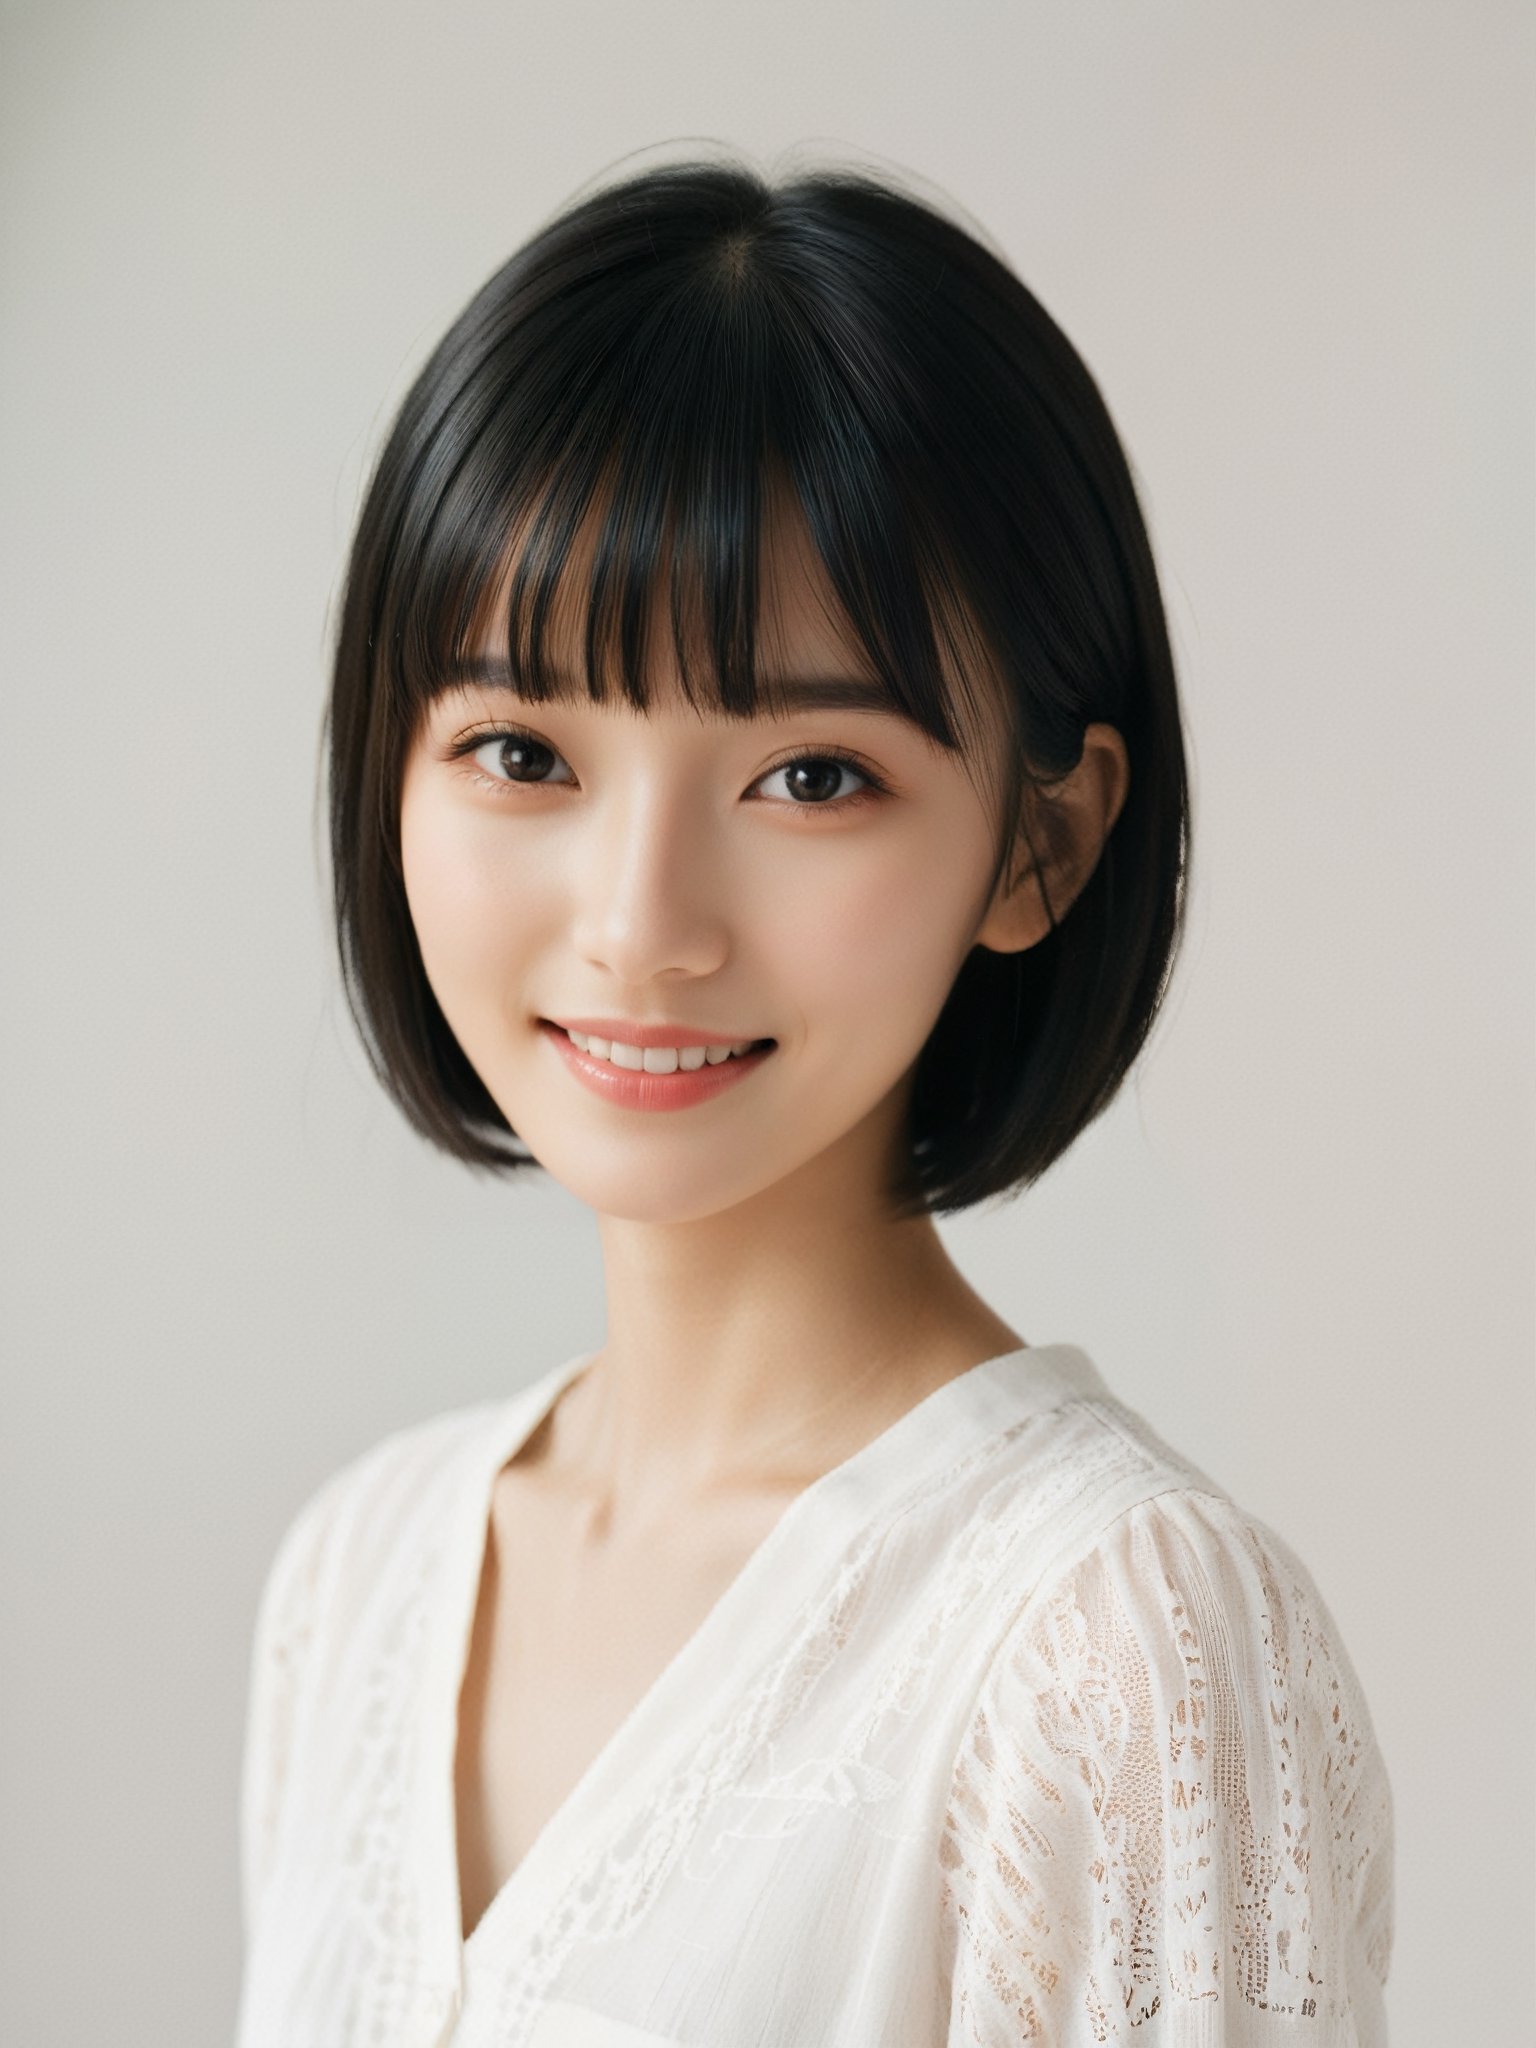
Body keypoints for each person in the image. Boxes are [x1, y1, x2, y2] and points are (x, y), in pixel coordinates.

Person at [234, 154, 1396, 2047]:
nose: (641, 928)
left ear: (1042, 841)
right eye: (523, 750)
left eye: (809, 778)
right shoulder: (358, 1578)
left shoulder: (1121, 1651)